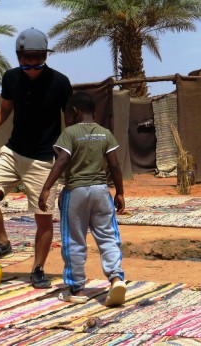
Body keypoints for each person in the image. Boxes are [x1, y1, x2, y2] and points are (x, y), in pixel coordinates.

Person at [0, 28, 72, 289]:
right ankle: (3, 242)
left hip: (44, 160)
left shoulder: (60, 82)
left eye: (37, 58)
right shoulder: (11, 78)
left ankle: (38, 269)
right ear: (18, 56)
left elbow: (70, 120)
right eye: (26, 59)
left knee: (43, 216)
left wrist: (70, 154)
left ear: (45, 55)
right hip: (13, 152)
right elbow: (4, 109)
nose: (32, 65)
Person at [38, 91, 126, 307]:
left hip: (75, 192)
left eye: (67, 114)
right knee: (108, 237)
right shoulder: (105, 133)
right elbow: (114, 164)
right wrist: (120, 192)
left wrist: (47, 187)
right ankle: (116, 279)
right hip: (101, 191)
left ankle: (76, 288)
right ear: (93, 112)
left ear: (74, 111)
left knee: (74, 240)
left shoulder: (70, 133)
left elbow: (62, 159)